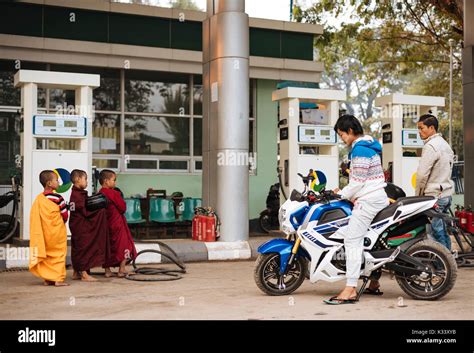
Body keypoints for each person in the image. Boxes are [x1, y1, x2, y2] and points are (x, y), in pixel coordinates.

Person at [324, 115, 389, 305]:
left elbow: (357, 182)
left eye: (342, 134)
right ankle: (374, 282)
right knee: (370, 240)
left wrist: (341, 194)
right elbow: (363, 179)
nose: (342, 138)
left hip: (368, 200)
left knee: (352, 239)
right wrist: (343, 191)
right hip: (376, 196)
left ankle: (350, 288)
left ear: (350, 131)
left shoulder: (360, 149)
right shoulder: (369, 146)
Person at [416, 114, 454, 250]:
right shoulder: (445, 144)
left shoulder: (430, 146)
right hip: (446, 194)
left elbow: (421, 175)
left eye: (422, 128)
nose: (419, 132)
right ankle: (449, 262)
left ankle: (442, 266)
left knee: (435, 232)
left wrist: (418, 196)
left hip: (435, 196)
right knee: (442, 231)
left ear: (431, 128)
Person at [29, 170, 69, 286]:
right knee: (59, 254)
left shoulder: (39, 199)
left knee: (47, 254)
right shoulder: (58, 198)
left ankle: (48, 279)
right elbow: (64, 214)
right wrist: (62, 223)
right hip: (56, 232)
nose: (58, 182)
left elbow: (36, 217)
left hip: (44, 233)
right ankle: (57, 279)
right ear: (49, 183)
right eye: (56, 180)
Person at [69, 169, 109, 282]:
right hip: (80, 226)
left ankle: (76, 272)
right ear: (77, 180)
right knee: (84, 247)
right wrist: (100, 211)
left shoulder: (76, 193)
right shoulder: (77, 195)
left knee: (78, 247)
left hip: (76, 224)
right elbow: (85, 212)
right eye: (85, 179)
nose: (87, 182)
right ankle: (84, 274)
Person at [99, 169, 137, 277]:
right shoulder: (114, 193)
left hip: (105, 225)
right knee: (125, 245)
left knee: (107, 247)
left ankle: (107, 271)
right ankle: (122, 269)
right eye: (114, 180)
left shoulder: (99, 194)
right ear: (106, 181)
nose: (115, 183)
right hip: (117, 224)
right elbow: (123, 208)